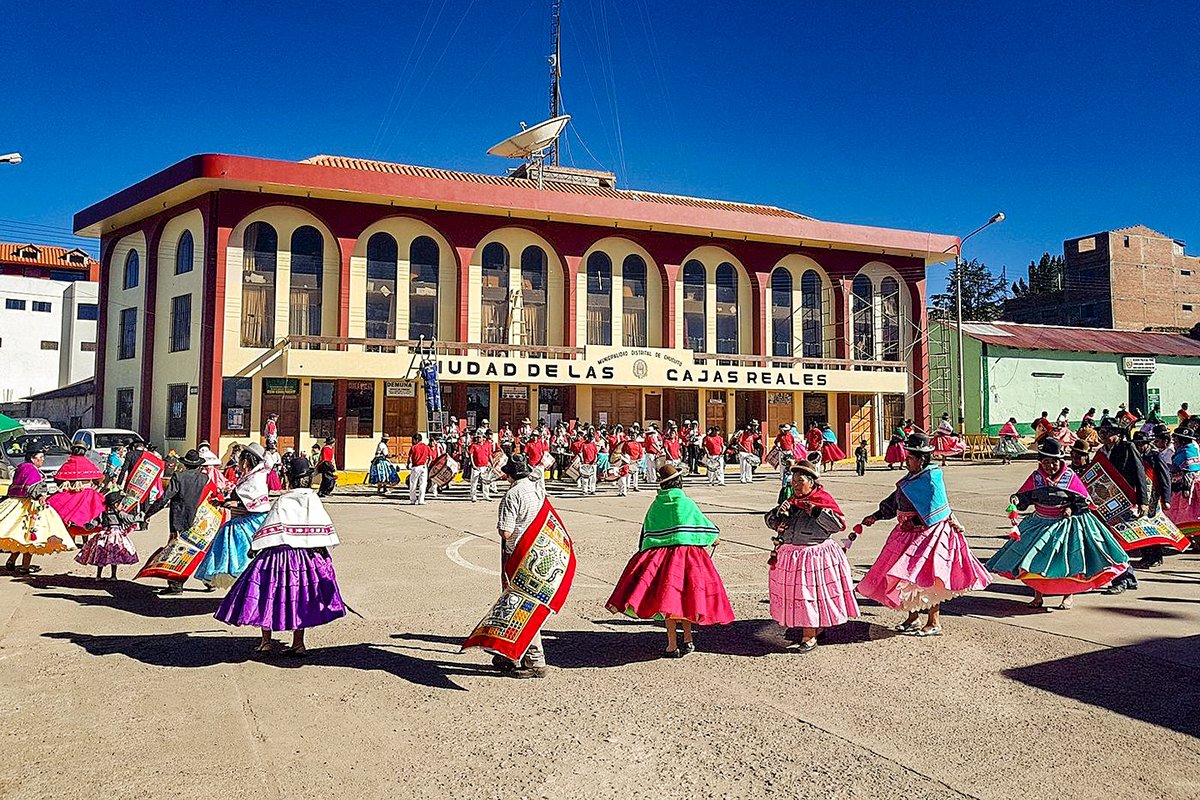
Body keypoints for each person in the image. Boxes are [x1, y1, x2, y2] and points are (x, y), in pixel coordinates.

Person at [856, 433, 990, 635]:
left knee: (927, 580)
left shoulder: (931, 478)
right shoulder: (910, 479)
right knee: (907, 578)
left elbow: (938, 509)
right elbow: (895, 501)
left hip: (929, 535)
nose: (906, 460)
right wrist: (876, 515)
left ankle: (934, 622)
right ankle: (913, 618)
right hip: (907, 533)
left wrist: (916, 521)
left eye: (910, 457)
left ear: (921, 459)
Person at [215, 455, 345, 657]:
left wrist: (255, 547)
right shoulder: (313, 499)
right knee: (300, 598)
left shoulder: (284, 500)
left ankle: (266, 641)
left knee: (268, 596)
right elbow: (323, 532)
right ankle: (298, 643)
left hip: (278, 556)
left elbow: (269, 527)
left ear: (290, 478)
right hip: (306, 557)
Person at [606, 463, 734, 657]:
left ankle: (672, 644)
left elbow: (647, 533)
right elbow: (702, 525)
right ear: (679, 482)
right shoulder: (686, 503)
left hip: (661, 560)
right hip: (688, 558)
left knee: (668, 601)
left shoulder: (656, 504)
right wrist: (713, 537)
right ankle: (688, 639)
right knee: (687, 599)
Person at [987, 438, 1129, 609]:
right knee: (1032, 562)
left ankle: (1067, 596)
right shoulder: (1036, 478)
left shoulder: (1070, 478)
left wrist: (1071, 509)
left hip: (1064, 525)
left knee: (1067, 563)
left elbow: (1082, 502)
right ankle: (1038, 596)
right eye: (1046, 462)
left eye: (1054, 462)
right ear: (1041, 462)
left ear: (1060, 461)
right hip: (1039, 523)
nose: (1050, 466)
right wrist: (1016, 500)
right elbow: (1025, 497)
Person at [765, 461, 858, 652]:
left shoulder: (822, 500)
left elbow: (837, 525)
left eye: (800, 481)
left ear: (812, 482)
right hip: (792, 556)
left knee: (809, 595)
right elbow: (771, 523)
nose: (796, 486)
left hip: (814, 556)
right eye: (793, 482)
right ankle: (815, 627)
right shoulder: (791, 503)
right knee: (798, 596)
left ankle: (809, 635)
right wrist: (778, 514)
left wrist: (816, 511)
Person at [495, 455, 549, 678]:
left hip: (516, 552)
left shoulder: (512, 494)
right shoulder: (537, 488)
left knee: (519, 604)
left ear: (509, 474)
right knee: (522, 602)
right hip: (537, 550)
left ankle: (534, 659)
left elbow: (506, 531)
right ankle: (509, 653)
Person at [194, 443, 272, 588]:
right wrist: (224, 502)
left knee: (243, 559)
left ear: (246, 461)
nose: (238, 463)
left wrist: (236, 504)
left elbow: (257, 503)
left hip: (248, 524)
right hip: (243, 520)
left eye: (240, 459)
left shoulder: (256, 479)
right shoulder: (250, 476)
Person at [145, 449, 213, 594]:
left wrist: (149, 513)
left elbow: (165, 498)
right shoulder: (204, 478)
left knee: (178, 550)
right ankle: (209, 579)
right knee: (199, 549)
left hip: (179, 518)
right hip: (200, 518)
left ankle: (175, 585)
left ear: (185, 464)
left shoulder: (179, 476)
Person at [0, 446, 75, 573]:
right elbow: (33, 488)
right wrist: (41, 496)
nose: (42, 460)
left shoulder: (22, 467)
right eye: (40, 458)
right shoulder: (32, 470)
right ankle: (24, 567)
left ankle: (12, 560)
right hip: (31, 506)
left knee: (21, 535)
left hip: (17, 503)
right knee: (32, 536)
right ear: (32, 459)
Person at [1097, 421, 1148, 594]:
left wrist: (1143, 501)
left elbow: (1140, 474)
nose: (1103, 435)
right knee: (1114, 542)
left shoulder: (1128, 448)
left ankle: (1123, 580)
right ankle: (1128, 578)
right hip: (1107, 503)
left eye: (1107, 432)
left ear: (1117, 433)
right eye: (1101, 432)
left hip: (1125, 501)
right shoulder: (1102, 452)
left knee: (1119, 542)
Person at [46, 446, 106, 546]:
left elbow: (58, 479)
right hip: (87, 494)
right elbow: (99, 478)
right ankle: (85, 541)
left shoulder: (68, 463)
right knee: (86, 516)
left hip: (70, 494)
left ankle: (72, 541)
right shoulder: (87, 463)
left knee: (70, 516)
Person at [75, 491, 139, 580]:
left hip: (104, 535)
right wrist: (140, 517)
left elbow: (96, 521)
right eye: (121, 503)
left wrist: (90, 525)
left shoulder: (103, 513)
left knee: (101, 554)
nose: (122, 505)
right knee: (115, 555)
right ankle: (113, 576)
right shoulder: (119, 513)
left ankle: (99, 576)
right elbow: (129, 519)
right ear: (116, 504)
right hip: (115, 536)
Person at [1132, 429, 1172, 569]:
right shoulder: (1134, 456)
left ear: (1146, 443)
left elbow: (1164, 477)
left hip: (1153, 496)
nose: (1138, 446)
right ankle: (1146, 555)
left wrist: (1166, 498)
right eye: (1136, 444)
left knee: (1152, 525)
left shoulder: (1155, 456)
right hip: (1140, 495)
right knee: (1140, 525)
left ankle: (1156, 556)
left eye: (1141, 444)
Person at [1166, 427, 1200, 546]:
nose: (1174, 441)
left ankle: (1190, 540)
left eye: (1176, 439)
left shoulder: (1186, 452)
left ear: (1182, 441)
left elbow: (1189, 471)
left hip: (1186, 488)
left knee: (1185, 514)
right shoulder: (1192, 449)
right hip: (1191, 485)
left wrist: (1168, 468)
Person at [466, 431, 494, 502]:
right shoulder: (474, 445)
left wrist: (492, 463)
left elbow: (489, 455)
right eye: (477, 437)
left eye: (479, 437)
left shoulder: (487, 444)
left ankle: (486, 495)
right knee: (474, 481)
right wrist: (473, 464)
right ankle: (473, 495)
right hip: (476, 466)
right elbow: (471, 455)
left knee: (486, 481)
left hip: (485, 466)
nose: (478, 439)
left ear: (483, 438)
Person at [407, 433, 433, 505]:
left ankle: (413, 500)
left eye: (414, 440)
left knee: (413, 484)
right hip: (424, 467)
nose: (413, 441)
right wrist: (427, 465)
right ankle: (421, 500)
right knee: (423, 484)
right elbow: (430, 458)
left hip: (415, 467)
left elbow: (409, 458)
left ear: (417, 440)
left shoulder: (413, 447)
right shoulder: (426, 447)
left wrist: (407, 464)